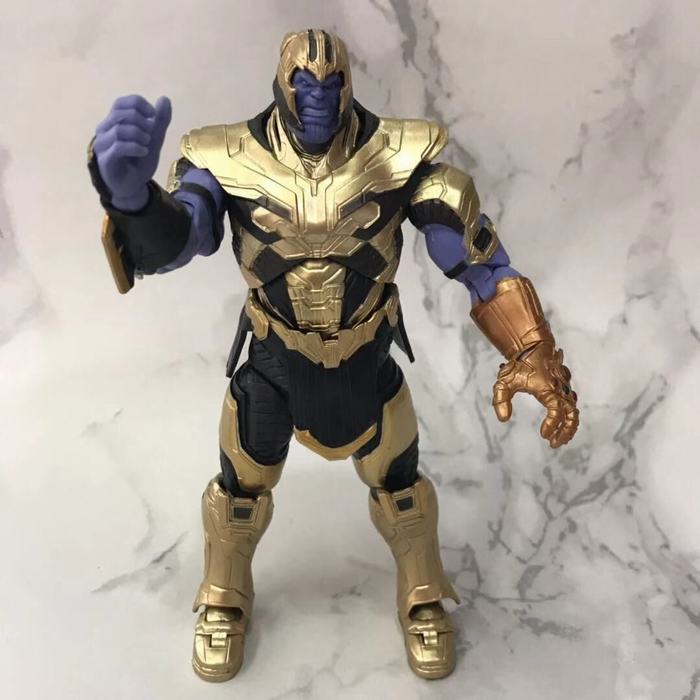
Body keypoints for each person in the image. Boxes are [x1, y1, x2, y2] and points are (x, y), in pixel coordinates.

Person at [88, 28, 579, 682]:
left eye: (329, 83)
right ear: (281, 83)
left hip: (365, 357)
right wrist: (132, 202)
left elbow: (473, 255)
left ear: (348, 83)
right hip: (274, 360)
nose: (317, 96)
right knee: (241, 488)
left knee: (400, 486)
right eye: (303, 83)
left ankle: (423, 594)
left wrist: (531, 347)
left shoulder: (399, 154)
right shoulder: (226, 156)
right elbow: (180, 240)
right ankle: (224, 597)